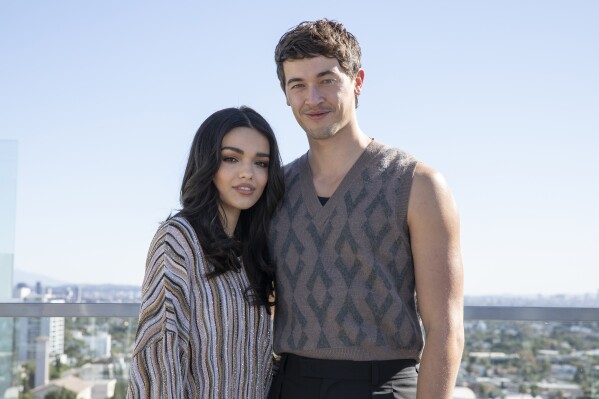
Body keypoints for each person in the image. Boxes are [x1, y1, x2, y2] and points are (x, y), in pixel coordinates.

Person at [267, 19, 464, 399]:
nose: (313, 98)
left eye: (327, 80)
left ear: (357, 82)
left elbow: (445, 328)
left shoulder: (419, 185)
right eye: (298, 85)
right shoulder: (274, 188)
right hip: (289, 385)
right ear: (286, 95)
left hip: (383, 387)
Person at [127, 106, 284, 398]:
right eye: (231, 159)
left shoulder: (253, 252)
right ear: (207, 163)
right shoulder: (178, 240)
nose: (247, 173)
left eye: (260, 163)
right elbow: (160, 355)